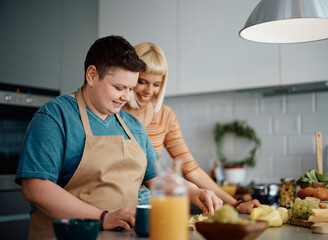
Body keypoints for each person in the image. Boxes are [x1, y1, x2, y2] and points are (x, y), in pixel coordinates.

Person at [15, 35, 222, 240]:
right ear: (92, 75)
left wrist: (195, 193)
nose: (127, 97)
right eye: (119, 88)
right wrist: (103, 218)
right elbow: (36, 188)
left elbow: (158, 179)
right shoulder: (55, 116)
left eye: (131, 89)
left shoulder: (132, 126)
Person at [123, 42, 260, 214]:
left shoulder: (165, 115)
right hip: (115, 197)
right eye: (142, 82)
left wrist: (236, 204)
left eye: (156, 84)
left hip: (148, 199)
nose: (149, 91)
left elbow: (190, 168)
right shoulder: (114, 111)